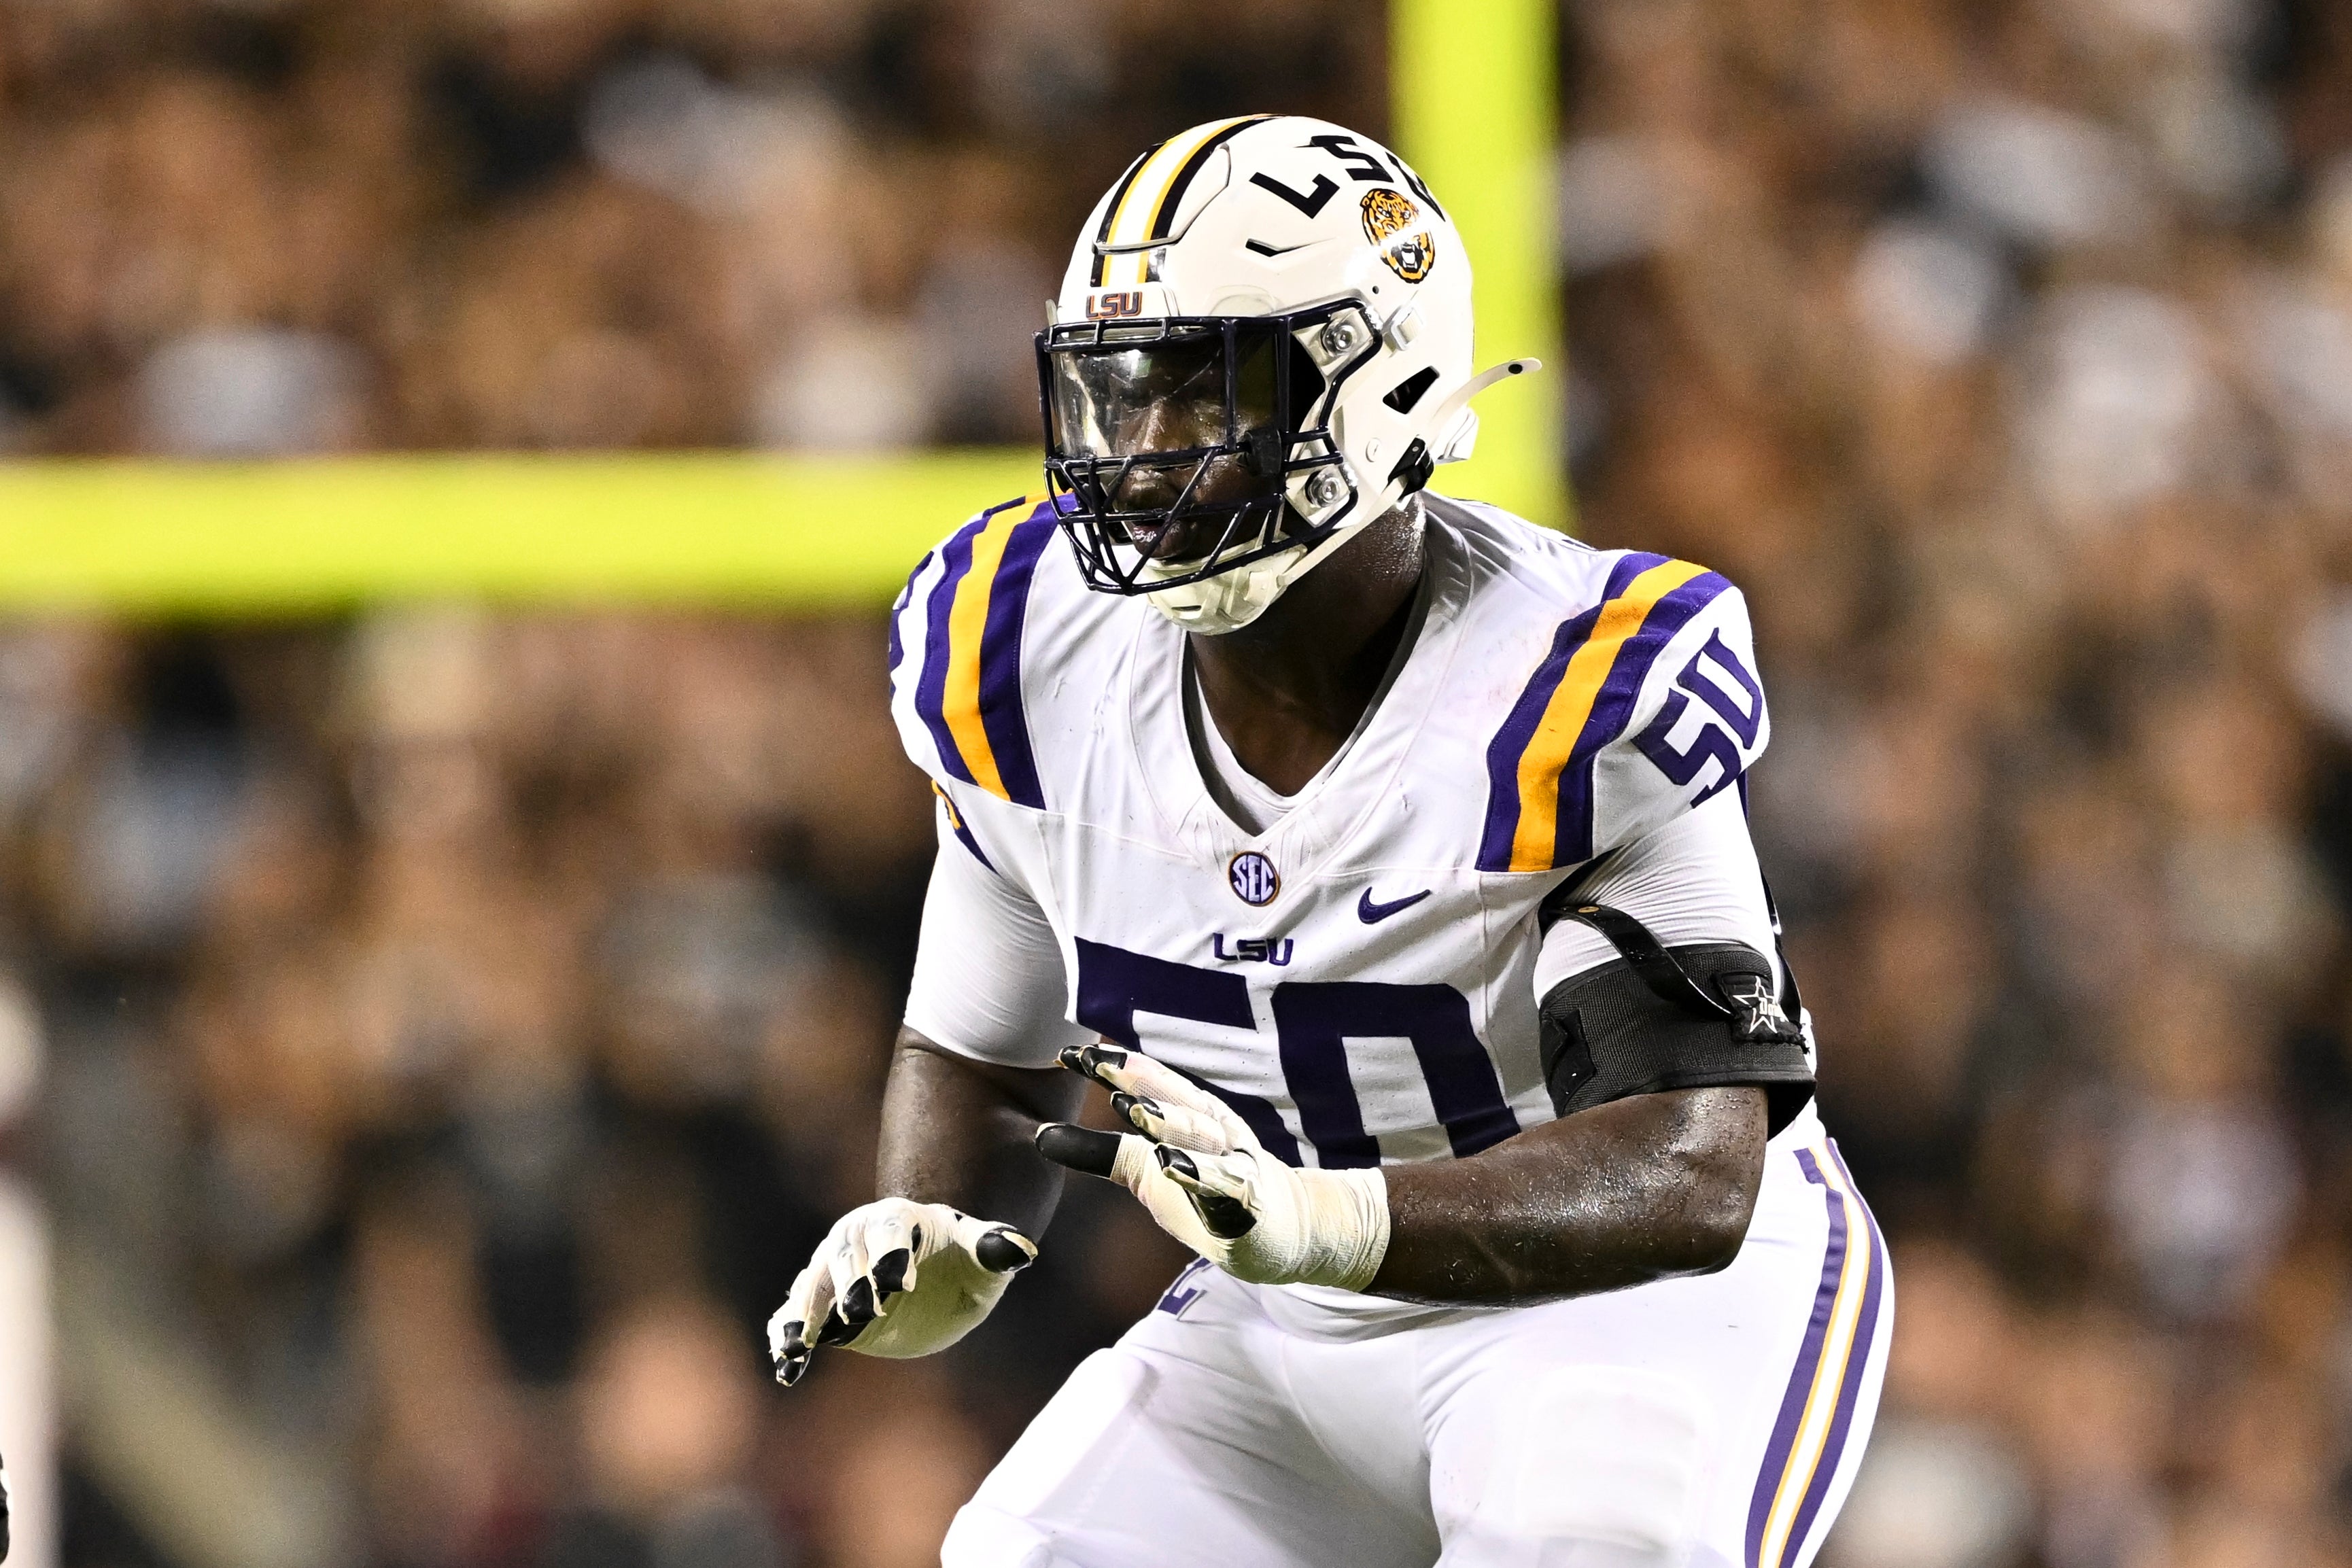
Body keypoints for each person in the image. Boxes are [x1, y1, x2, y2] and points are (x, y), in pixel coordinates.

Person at [769, 114, 1888, 1568]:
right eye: (1116, 394)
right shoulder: (1023, 649)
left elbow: (1689, 1163)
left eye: (1201, 394)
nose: (1139, 455)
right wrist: (930, 1236)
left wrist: (1328, 1218)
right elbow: (981, 1055)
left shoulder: (1568, 683)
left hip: (1635, 1309)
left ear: (1380, 387)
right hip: (1292, 1318)